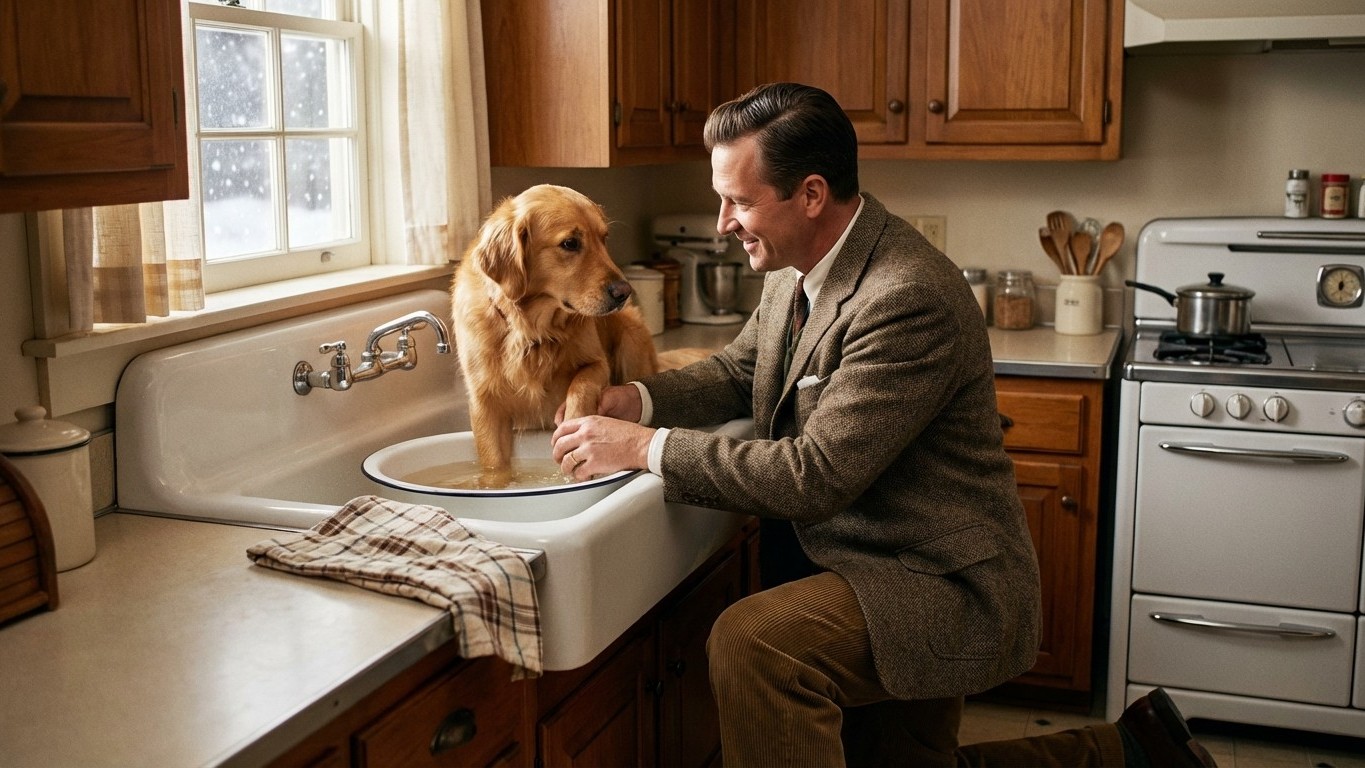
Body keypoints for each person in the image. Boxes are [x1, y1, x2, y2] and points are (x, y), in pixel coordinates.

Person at [551, 82, 1215, 767]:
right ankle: (1133, 752)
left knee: (757, 642)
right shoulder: (795, 265)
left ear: (810, 195)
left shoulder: (904, 294)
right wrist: (639, 399)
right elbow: (742, 371)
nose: (722, 223)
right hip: (861, 560)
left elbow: (815, 476)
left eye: (740, 202)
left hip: (936, 580)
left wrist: (642, 448)